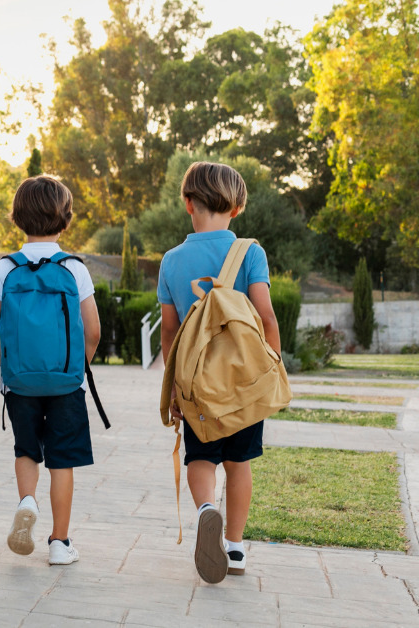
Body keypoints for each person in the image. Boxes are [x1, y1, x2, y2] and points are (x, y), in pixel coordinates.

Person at [157, 161, 279, 583]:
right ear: (238, 207)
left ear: (188, 204)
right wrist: (272, 369)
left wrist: (173, 389)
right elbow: (266, 317)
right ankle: (235, 545)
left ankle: (207, 508)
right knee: (239, 462)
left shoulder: (172, 260)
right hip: (243, 383)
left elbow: (169, 333)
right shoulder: (250, 252)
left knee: (201, 456)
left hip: (196, 384)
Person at [0, 175, 101, 566]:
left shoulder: (5, 267)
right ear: (65, 219)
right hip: (66, 382)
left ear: (17, 217)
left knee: (26, 450)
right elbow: (93, 329)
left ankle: (27, 500)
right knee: (61, 460)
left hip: (20, 382)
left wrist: (9, 365)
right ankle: (60, 542)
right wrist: (77, 367)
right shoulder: (73, 268)